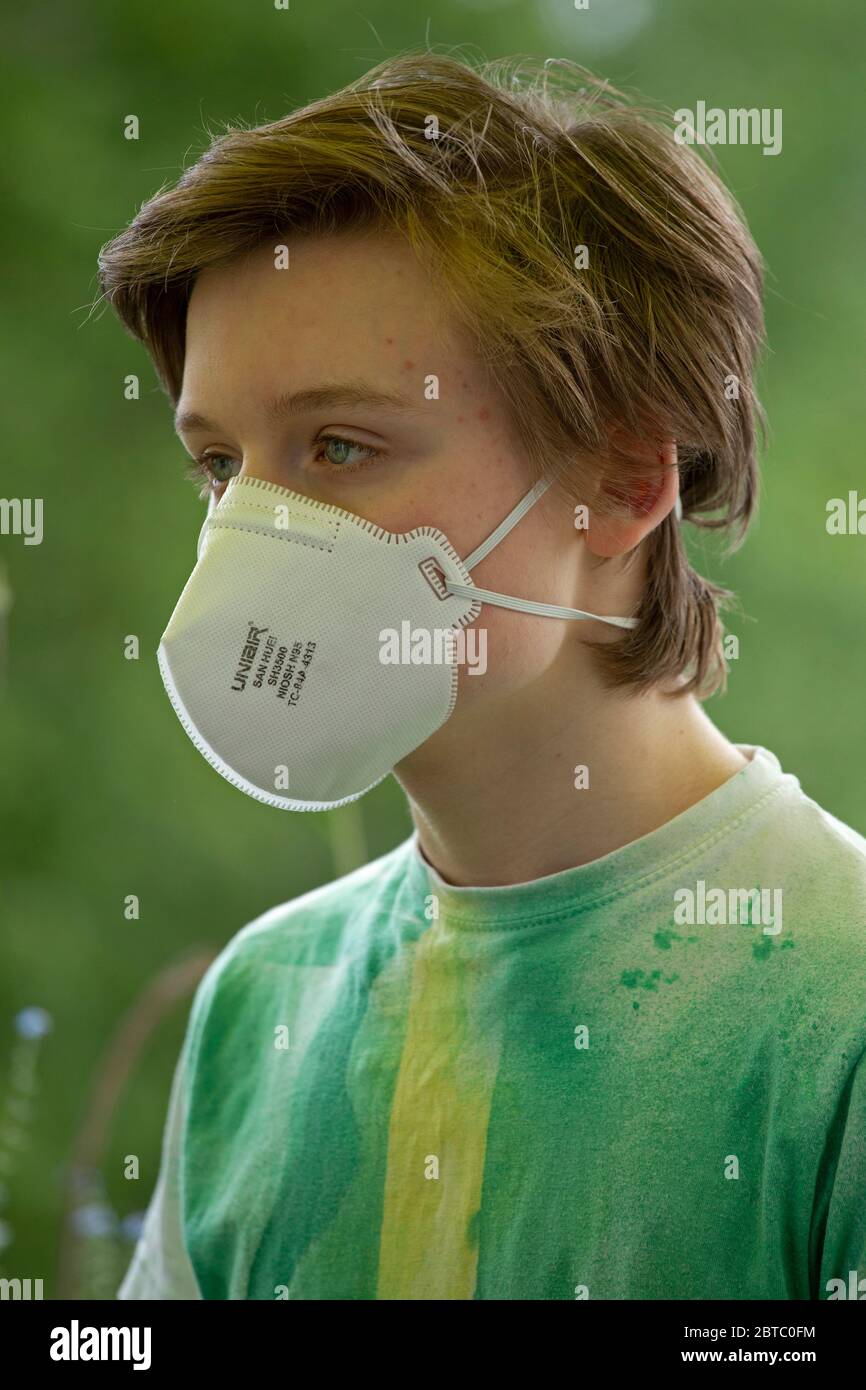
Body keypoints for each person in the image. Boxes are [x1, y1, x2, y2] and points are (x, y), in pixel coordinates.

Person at [98, 52, 866, 1300]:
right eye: (222, 466)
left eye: (340, 444)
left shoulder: (839, 1008)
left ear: (623, 479)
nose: (256, 533)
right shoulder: (262, 1001)